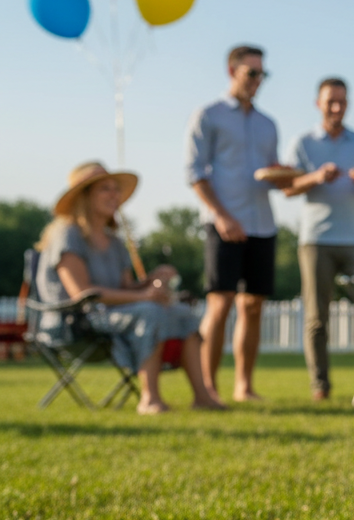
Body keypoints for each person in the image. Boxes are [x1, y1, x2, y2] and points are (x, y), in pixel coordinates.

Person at [35, 162, 223, 414]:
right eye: (105, 189)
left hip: (112, 315)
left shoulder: (114, 241)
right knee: (150, 312)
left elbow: (126, 289)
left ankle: (203, 396)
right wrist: (146, 296)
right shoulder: (68, 236)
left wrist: (152, 281)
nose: (114, 195)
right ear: (84, 196)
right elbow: (82, 293)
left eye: (116, 189)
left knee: (182, 313)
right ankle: (150, 398)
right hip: (75, 321)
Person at [284, 77, 354, 402]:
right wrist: (316, 177)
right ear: (318, 103)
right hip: (316, 240)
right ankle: (321, 387)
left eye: (342, 102)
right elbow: (287, 188)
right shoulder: (303, 142)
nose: (336, 108)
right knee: (317, 318)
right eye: (330, 101)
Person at [185, 44, 279, 402]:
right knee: (220, 304)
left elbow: (271, 174)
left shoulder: (268, 124)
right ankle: (207, 388)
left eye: (262, 74)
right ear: (232, 71)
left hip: (263, 225)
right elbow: (194, 173)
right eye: (251, 73)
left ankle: (244, 386)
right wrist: (222, 216)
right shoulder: (208, 115)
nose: (257, 81)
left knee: (253, 306)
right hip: (224, 223)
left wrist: (293, 177)